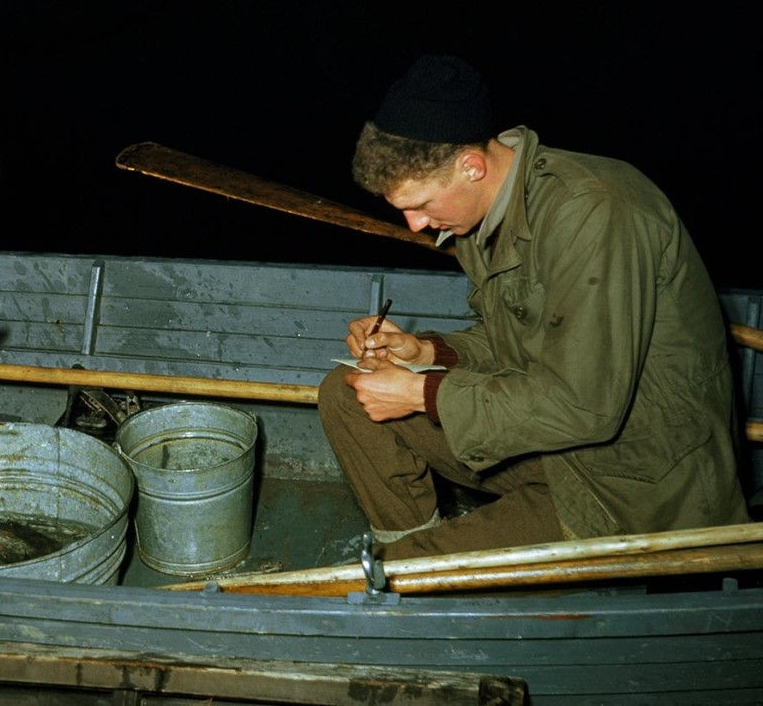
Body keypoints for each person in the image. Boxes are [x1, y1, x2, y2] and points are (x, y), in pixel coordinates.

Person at [318, 54, 751, 561]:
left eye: (422, 205)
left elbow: (585, 405)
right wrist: (426, 352)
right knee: (346, 396)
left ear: (472, 166)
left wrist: (421, 393)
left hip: (633, 479)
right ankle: (411, 553)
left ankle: (406, 572)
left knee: (396, 574)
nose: (416, 226)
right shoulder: (484, 213)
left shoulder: (598, 213)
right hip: (553, 444)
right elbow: (521, 339)